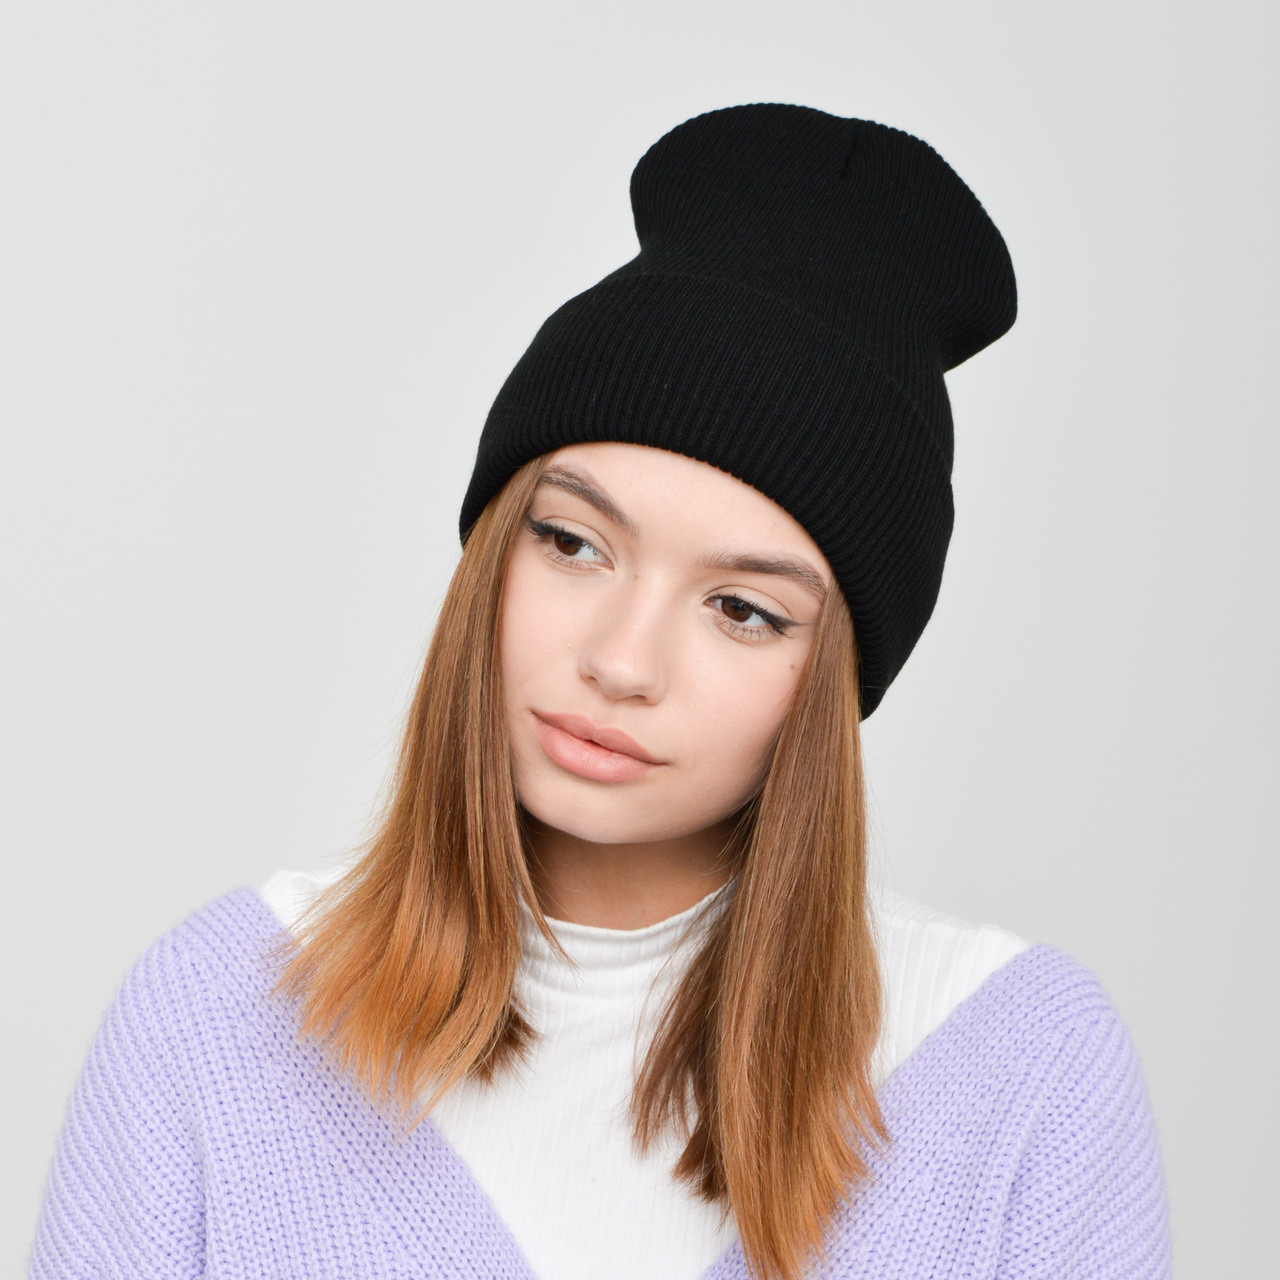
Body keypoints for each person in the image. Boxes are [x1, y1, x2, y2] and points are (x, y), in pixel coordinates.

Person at [28, 103, 1172, 1280]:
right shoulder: (216, 1015)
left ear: (829, 682)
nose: (622, 661)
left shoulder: (1019, 1069)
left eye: (742, 609)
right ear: (493, 551)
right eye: (573, 543)